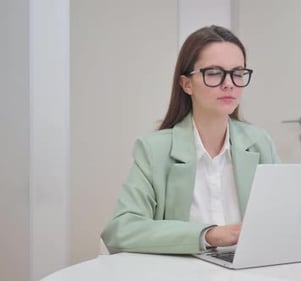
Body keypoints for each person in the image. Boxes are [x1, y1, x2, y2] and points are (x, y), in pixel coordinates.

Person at [101, 25, 280, 254]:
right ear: (186, 84)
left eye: (237, 73)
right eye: (214, 73)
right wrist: (209, 235)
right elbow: (121, 229)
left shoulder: (260, 143)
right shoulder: (154, 150)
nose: (229, 84)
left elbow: (281, 220)